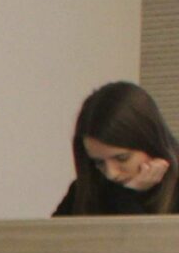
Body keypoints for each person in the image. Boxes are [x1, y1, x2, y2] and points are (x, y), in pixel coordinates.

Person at [52, 80, 178, 216]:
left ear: (151, 143)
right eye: (99, 162)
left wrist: (128, 197)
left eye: (122, 158)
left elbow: (137, 231)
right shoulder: (85, 189)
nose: (111, 174)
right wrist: (128, 192)